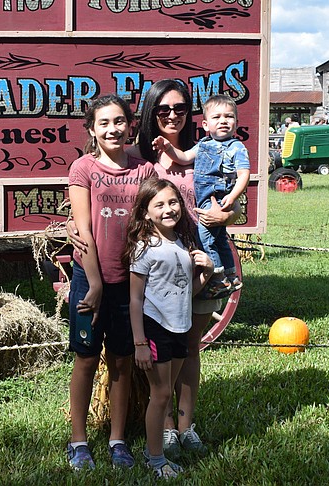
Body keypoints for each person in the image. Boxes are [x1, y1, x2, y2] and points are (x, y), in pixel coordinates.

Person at [69, 79, 240, 457]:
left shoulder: (200, 153)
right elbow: (95, 211)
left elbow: (229, 199)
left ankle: (177, 429)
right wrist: (75, 229)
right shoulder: (132, 160)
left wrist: (226, 215)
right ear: (149, 114)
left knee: (180, 349)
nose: (172, 115)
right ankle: (149, 429)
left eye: (180, 108)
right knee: (126, 353)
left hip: (186, 264)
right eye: (163, 109)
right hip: (136, 273)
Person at [65, 94, 156, 471]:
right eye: (103, 123)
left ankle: (118, 441)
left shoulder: (144, 170)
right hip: (89, 281)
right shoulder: (83, 168)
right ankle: (78, 441)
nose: (112, 129)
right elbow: (83, 229)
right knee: (86, 359)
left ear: (130, 125)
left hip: (129, 284)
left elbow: (151, 223)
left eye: (119, 121)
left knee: (121, 360)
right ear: (91, 129)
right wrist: (96, 283)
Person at [126, 177, 214, 479]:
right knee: (161, 393)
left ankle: (157, 452)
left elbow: (185, 292)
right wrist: (139, 342)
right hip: (155, 328)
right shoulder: (144, 248)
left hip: (180, 327)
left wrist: (206, 273)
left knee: (166, 390)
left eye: (173, 202)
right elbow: (135, 299)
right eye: (159, 205)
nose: (168, 209)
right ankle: (155, 460)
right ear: (146, 212)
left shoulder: (180, 243)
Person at [154, 94, 250, 299]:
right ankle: (231, 275)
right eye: (217, 117)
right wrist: (168, 148)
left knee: (205, 238)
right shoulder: (203, 144)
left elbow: (244, 175)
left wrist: (232, 197)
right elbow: (183, 157)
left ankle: (218, 276)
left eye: (229, 117)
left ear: (236, 122)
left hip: (217, 197)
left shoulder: (236, 147)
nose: (223, 121)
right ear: (205, 124)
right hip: (204, 196)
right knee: (220, 240)